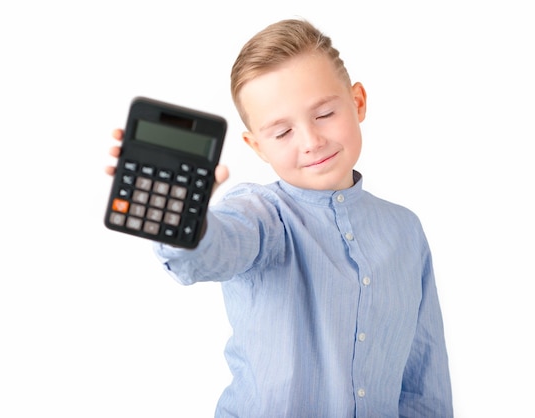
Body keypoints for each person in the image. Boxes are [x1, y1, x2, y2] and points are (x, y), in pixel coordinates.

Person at [107, 18, 452, 418]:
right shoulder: (261, 216)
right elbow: (216, 246)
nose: (311, 141)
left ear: (357, 101)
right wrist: (186, 219)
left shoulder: (405, 230)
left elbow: (424, 377)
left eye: (324, 113)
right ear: (257, 147)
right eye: (282, 132)